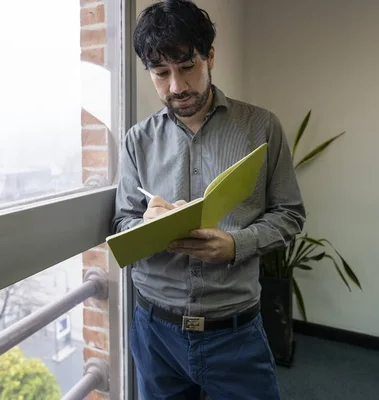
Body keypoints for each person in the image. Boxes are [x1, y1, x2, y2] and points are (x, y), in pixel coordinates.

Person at [111, 1, 306, 398]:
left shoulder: (261, 126)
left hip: (235, 332)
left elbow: (290, 215)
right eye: (161, 73)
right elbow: (121, 224)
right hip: (155, 333)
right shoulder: (137, 141)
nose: (177, 87)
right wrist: (146, 226)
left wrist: (236, 244)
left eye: (187, 67)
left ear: (210, 55)